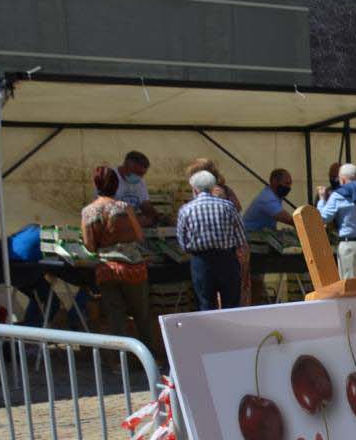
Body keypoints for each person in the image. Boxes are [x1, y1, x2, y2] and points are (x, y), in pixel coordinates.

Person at [81, 166, 159, 354]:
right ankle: (150, 358)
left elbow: (89, 245)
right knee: (141, 315)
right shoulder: (124, 208)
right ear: (116, 185)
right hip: (132, 268)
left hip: (106, 269)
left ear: (96, 184)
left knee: (115, 317)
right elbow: (139, 236)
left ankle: (118, 362)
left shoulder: (88, 212)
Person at [175, 169, 247, 311]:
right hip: (227, 259)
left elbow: (182, 242)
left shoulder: (186, 210)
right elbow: (241, 237)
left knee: (206, 304)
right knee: (231, 304)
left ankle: (211, 333)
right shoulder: (228, 206)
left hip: (201, 261)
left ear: (194, 188)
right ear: (213, 186)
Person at [114, 151, 160, 225]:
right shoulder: (109, 179)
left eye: (143, 174)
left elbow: (145, 204)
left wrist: (155, 216)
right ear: (126, 166)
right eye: (138, 173)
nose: (140, 177)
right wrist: (135, 220)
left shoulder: (140, 182)